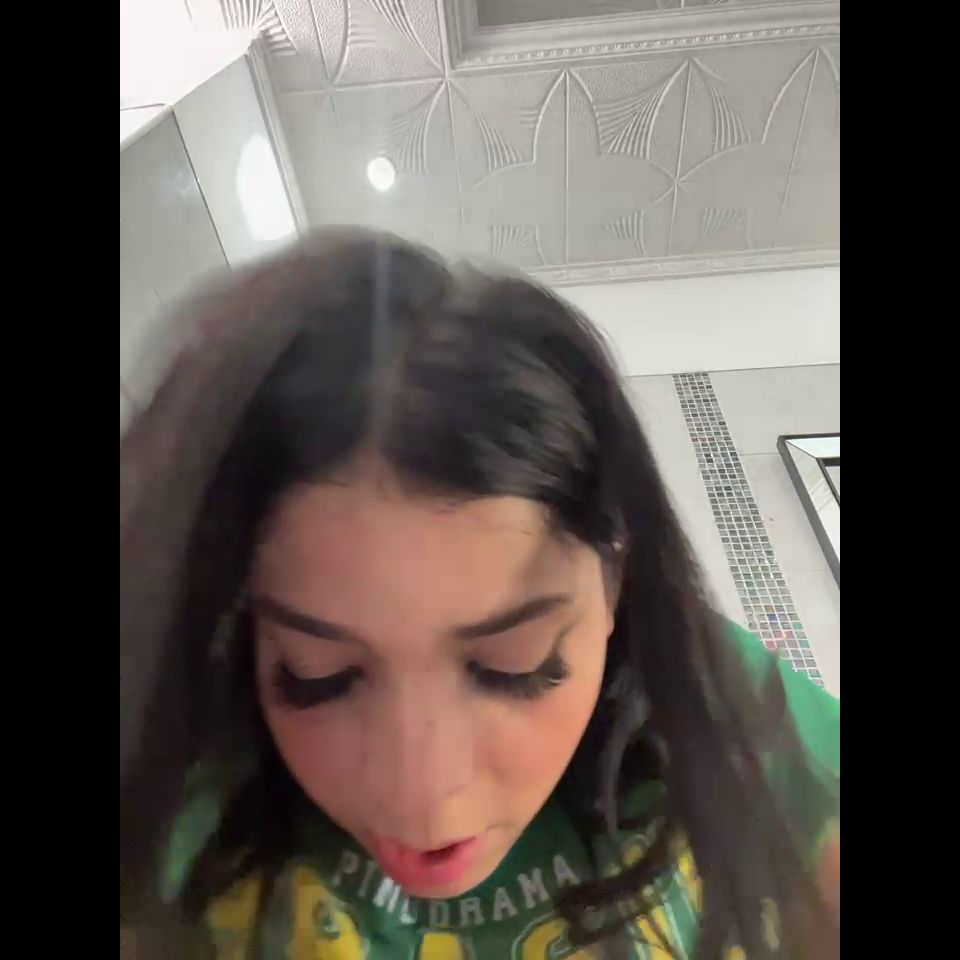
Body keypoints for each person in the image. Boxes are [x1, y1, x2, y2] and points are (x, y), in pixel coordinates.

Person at [119, 228, 839, 959]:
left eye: (512, 666)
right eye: (318, 675)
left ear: (615, 580)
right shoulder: (171, 783)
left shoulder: (702, 685)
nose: (424, 800)